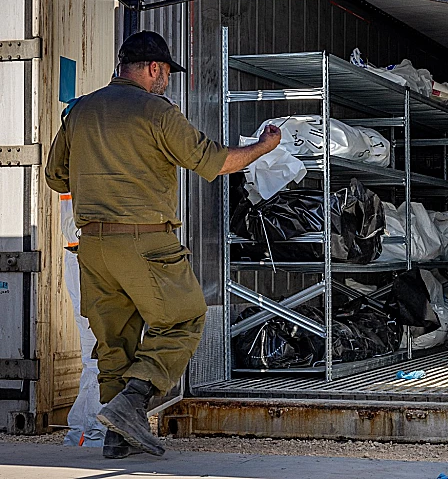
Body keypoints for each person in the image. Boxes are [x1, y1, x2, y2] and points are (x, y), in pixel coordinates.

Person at [45, 30, 281, 459]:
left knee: (114, 344)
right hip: (146, 242)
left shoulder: (79, 111)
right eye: (167, 73)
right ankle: (135, 401)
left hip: (93, 247)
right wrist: (263, 147)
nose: (167, 81)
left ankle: (118, 438)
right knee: (186, 317)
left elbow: (55, 177)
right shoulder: (157, 112)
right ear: (154, 68)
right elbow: (214, 162)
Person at [59, 192, 107, 448]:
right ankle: (92, 434)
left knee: (96, 358)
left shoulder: (81, 159)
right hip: (88, 257)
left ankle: (82, 432)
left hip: (87, 257)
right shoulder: (84, 160)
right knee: (98, 357)